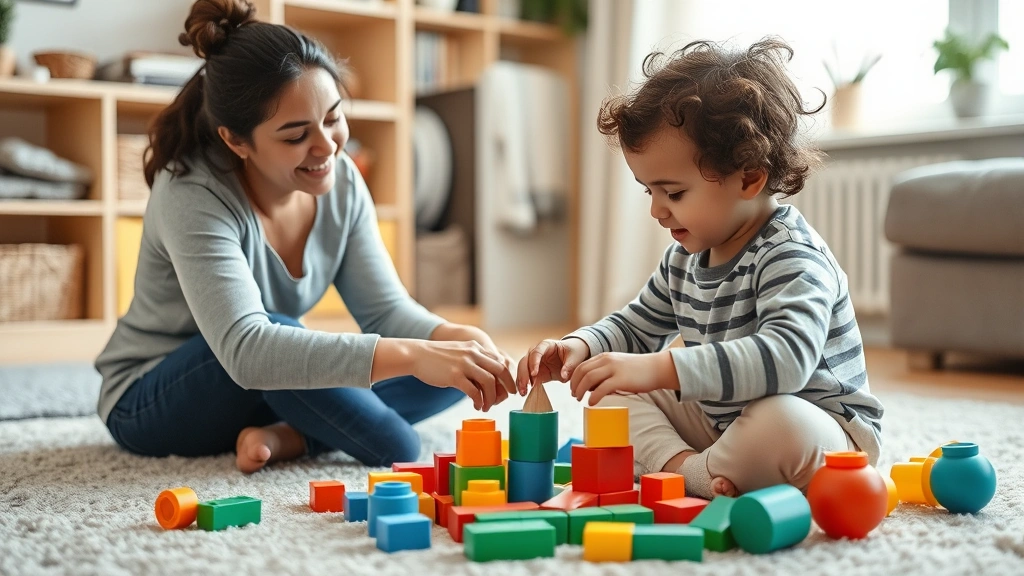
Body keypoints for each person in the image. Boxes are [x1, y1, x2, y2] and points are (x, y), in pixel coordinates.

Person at [96, 0, 516, 474]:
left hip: (266, 381)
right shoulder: (192, 192)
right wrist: (415, 355)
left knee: (454, 369)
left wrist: (455, 338)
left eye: (333, 118)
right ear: (236, 140)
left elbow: (384, 312)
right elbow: (248, 350)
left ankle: (287, 436)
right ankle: (308, 432)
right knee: (392, 437)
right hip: (155, 397)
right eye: (296, 136)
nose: (327, 147)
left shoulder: (342, 181)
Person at [517, 38, 884, 498]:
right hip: (722, 422)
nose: (657, 210)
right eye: (648, 191)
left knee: (779, 423)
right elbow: (636, 326)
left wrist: (661, 368)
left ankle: (703, 471)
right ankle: (691, 471)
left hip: (822, 431)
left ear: (749, 177)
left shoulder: (792, 255)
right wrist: (581, 346)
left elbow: (787, 360)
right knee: (608, 393)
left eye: (673, 193)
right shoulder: (684, 258)